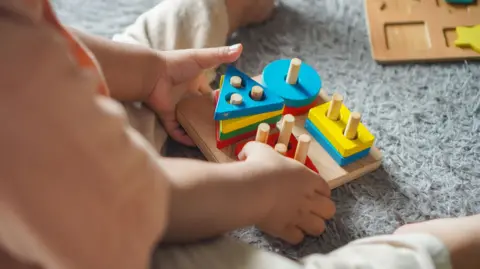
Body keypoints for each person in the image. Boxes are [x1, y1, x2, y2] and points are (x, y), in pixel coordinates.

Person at [0, 0, 478, 269]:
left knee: (148, 49)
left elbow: (65, 51)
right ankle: (427, 254)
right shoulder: (19, 83)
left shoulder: (21, 44)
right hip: (87, 245)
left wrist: (147, 73)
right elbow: (134, 207)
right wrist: (262, 192)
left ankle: (215, 9)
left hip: (68, 163)